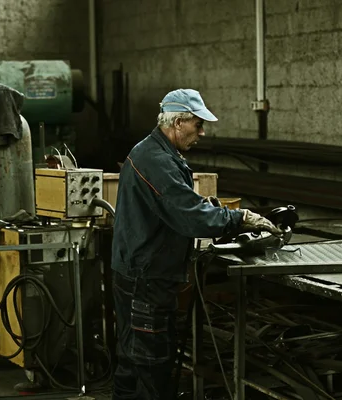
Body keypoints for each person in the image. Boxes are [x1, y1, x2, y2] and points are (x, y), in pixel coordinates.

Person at [111, 88, 281, 399]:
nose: (201, 133)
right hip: (146, 279)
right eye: (197, 125)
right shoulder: (155, 159)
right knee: (152, 365)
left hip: (139, 271)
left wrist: (211, 208)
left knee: (133, 360)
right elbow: (190, 216)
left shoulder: (156, 153)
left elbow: (175, 205)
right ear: (177, 123)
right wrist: (240, 217)